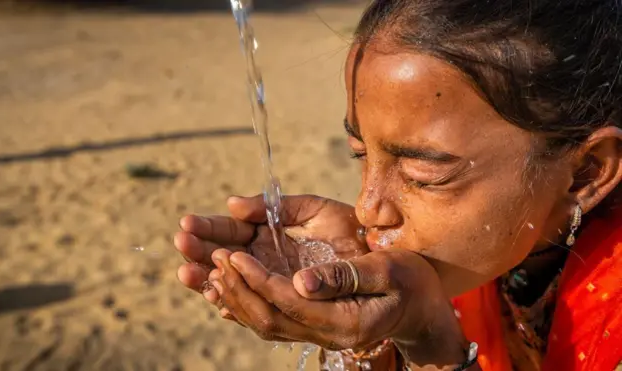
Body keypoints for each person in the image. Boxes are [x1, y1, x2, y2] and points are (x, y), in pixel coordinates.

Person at [174, 0, 622, 370]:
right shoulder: (500, 246)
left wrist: (426, 333)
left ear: (586, 173)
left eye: (421, 175)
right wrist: (372, 331)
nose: (367, 210)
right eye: (360, 153)